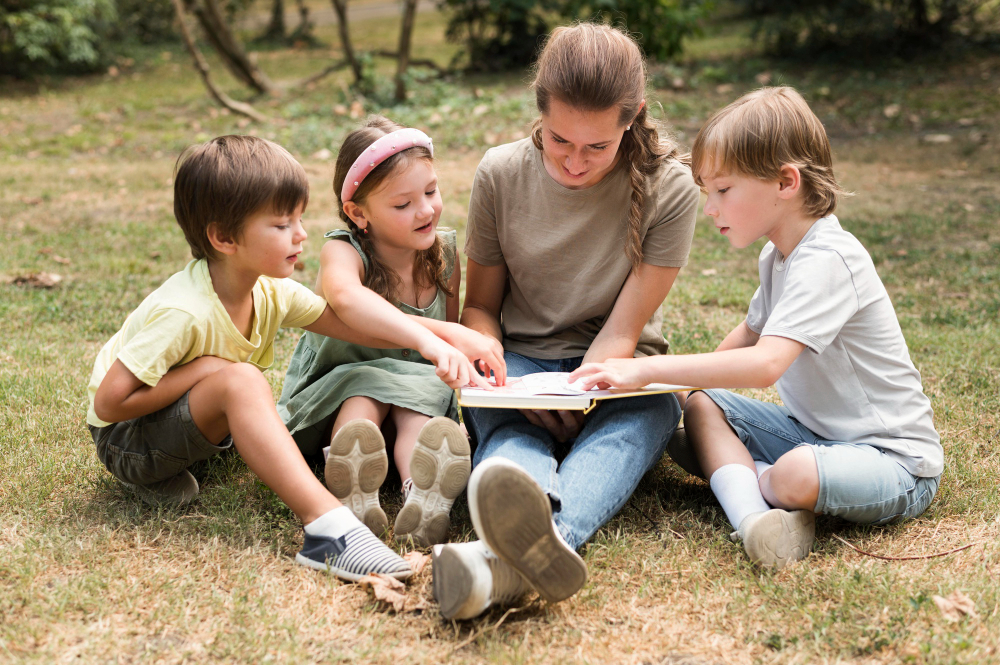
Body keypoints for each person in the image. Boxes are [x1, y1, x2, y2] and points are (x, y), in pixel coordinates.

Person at [570, 87, 943, 570]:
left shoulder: (830, 258)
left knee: (794, 474)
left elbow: (765, 363)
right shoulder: (779, 255)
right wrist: (680, 389)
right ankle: (756, 522)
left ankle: (752, 482)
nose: (711, 208)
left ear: (786, 182)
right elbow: (748, 334)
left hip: (895, 463)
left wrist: (645, 371)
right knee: (703, 408)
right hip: (815, 434)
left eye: (723, 190)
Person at [85, 135, 465, 582]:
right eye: (282, 225)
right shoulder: (184, 311)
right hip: (125, 440)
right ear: (225, 238)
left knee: (239, 380)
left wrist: (450, 336)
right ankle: (328, 530)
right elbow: (109, 406)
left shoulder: (270, 291)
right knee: (242, 380)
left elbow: (357, 326)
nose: (302, 235)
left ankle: (160, 481)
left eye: (300, 219)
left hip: (189, 434)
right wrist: (209, 370)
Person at [431, 23, 700, 620]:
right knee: (507, 427)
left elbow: (624, 331)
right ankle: (526, 542)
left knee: (651, 412)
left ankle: (512, 552)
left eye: (597, 147)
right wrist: (498, 374)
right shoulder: (500, 173)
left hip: (617, 368)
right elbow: (481, 309)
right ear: (539, 113)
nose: (576, 162)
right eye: (559, 141)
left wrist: (581, 392)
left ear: (632, 119)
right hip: (521, 362)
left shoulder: (671, 187)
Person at [278, 117, 503, 548]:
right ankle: (350, 478)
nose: (425, 210)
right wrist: (435, 337)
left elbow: (442, 345)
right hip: (337, 389)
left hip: (411, 393)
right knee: (366, 392)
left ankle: (421, 494)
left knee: (418, 404)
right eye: (403, 205)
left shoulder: (445, 256)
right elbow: (346, 299)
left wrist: (459, 353)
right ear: (357, 213)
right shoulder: (343, 251)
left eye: (431, 192)